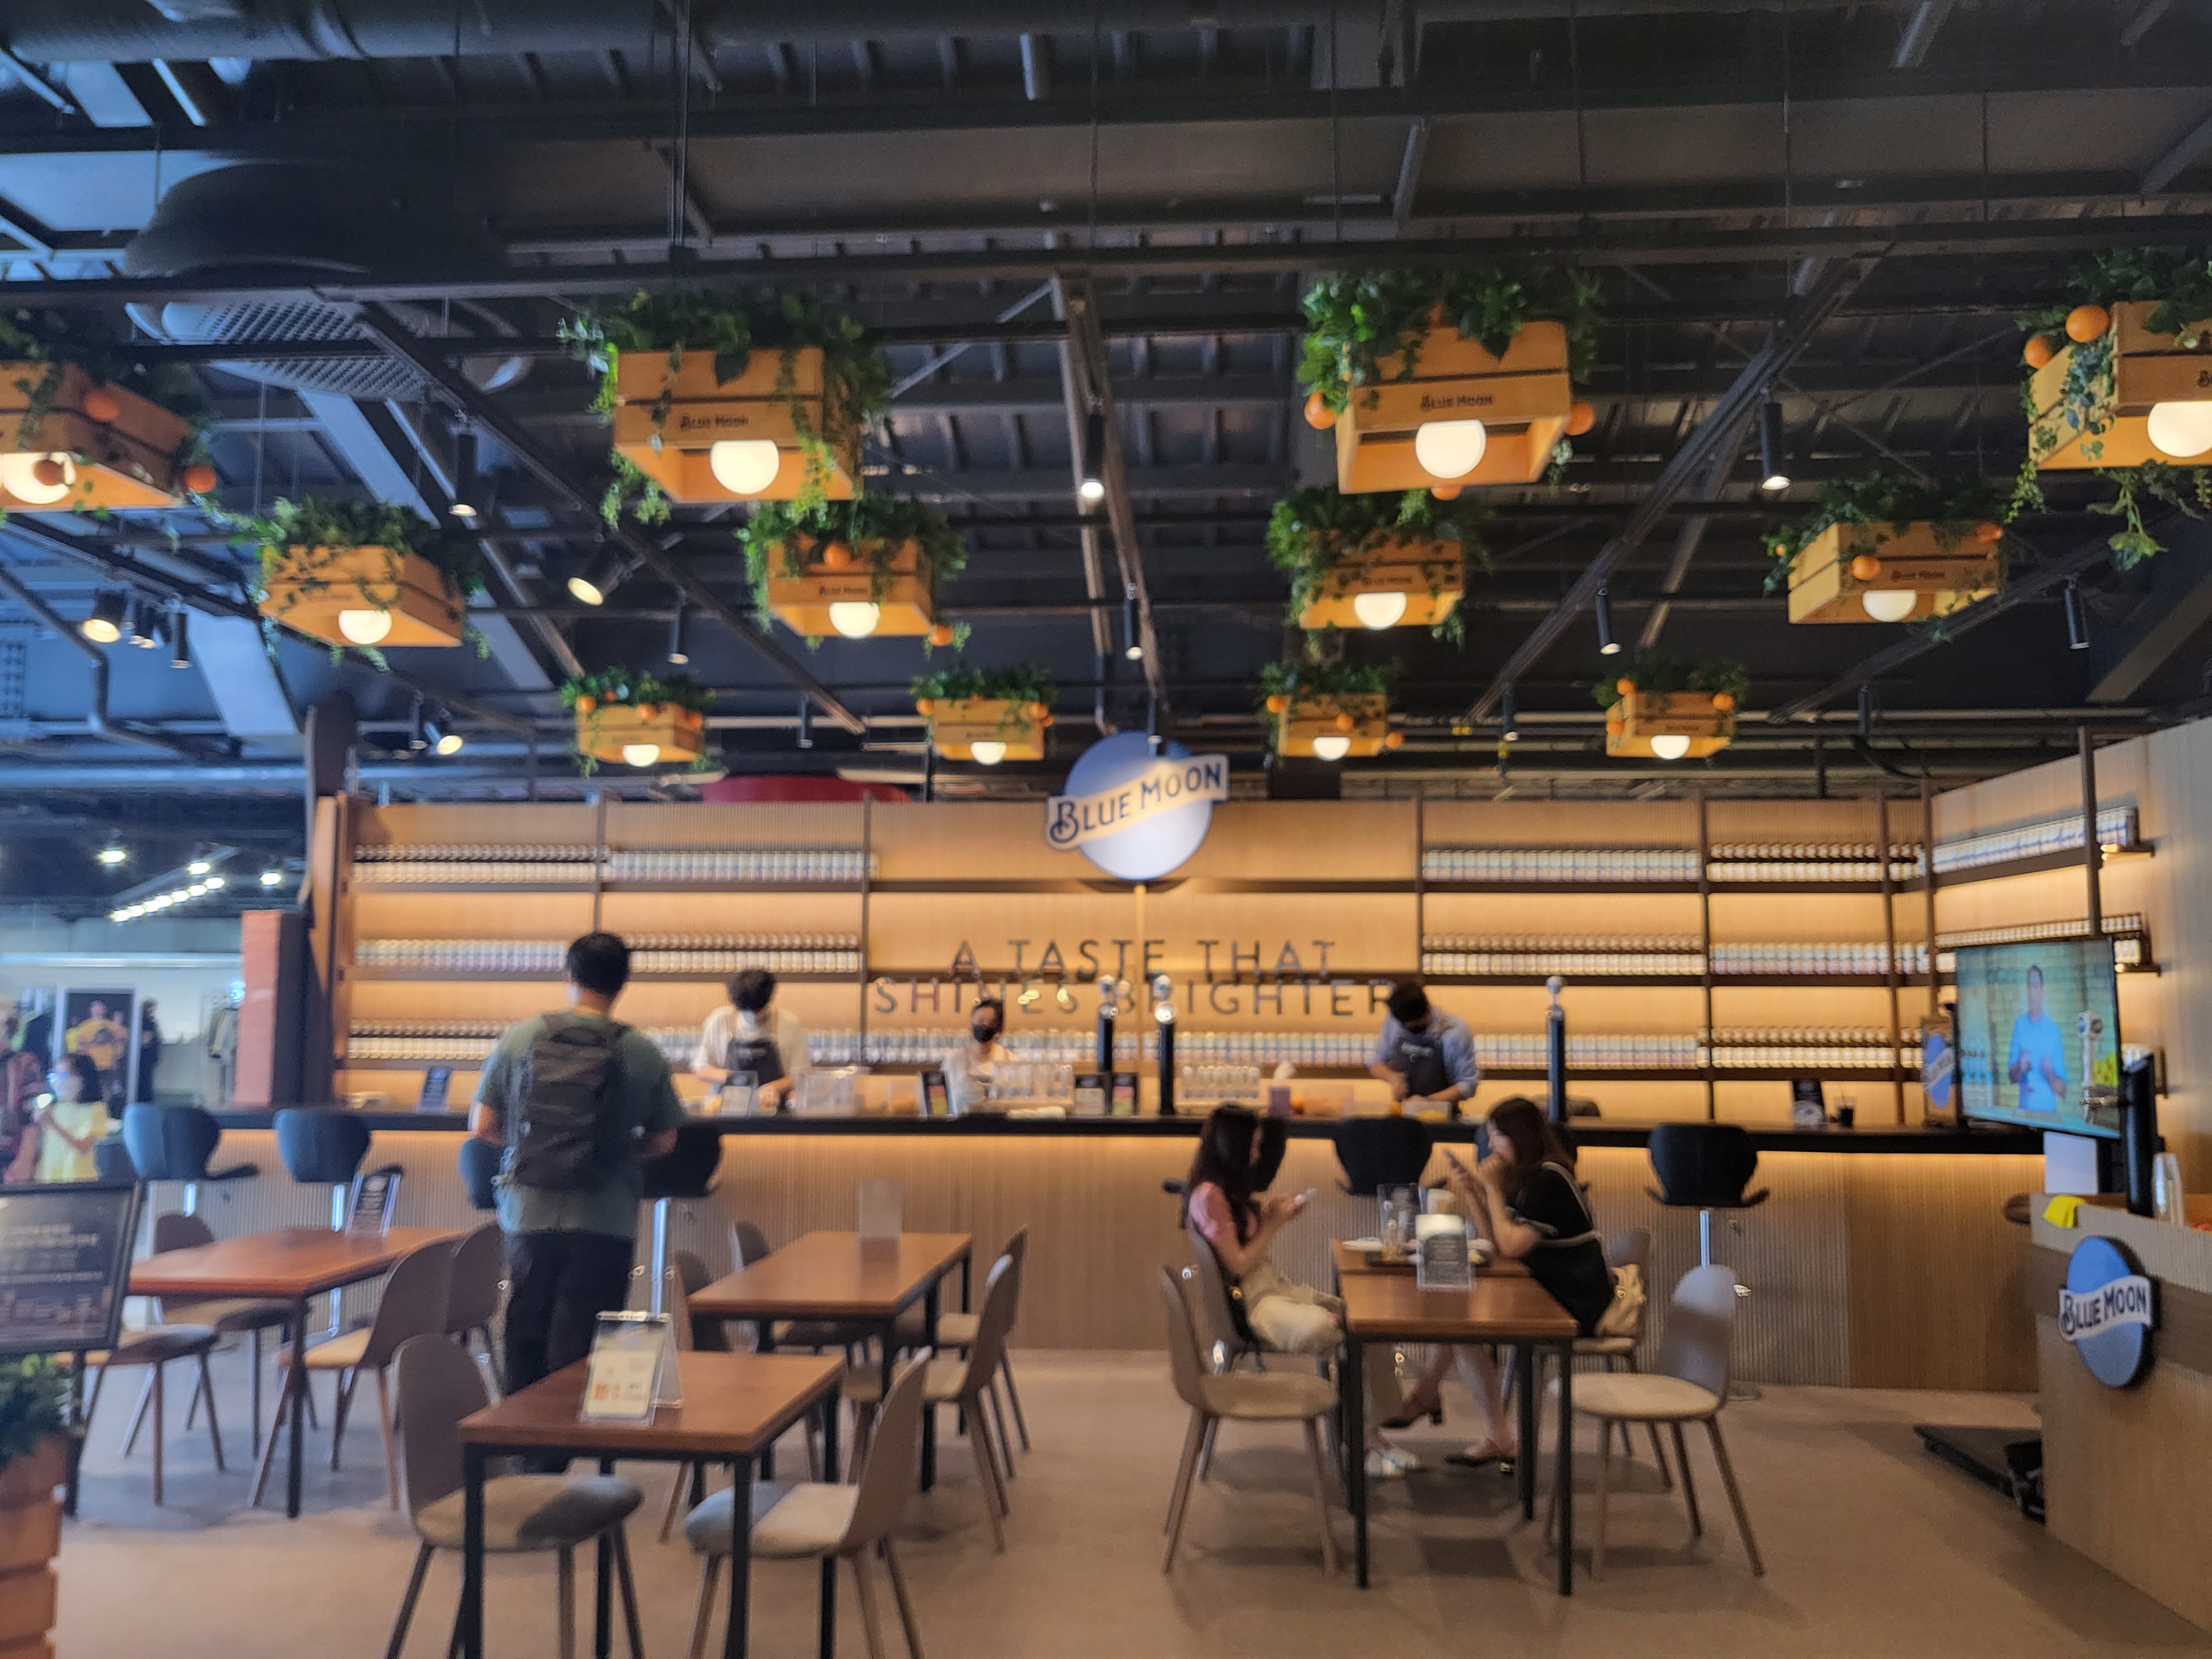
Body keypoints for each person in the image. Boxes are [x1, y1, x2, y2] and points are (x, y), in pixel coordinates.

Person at [469, 933, 685, 1399]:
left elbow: (483, 1124)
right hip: (605, 1215)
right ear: (624, 982)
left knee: (526, 1333)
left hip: (529, 1209)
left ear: (569, 974)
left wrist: (536, 1146)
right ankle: (577, 1437)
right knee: (587, 1347)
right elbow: (665, 1140)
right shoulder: (641, 1051)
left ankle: (521, 1433)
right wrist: (612, 1150)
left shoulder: (521, 1038)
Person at [1180, 1104, 1418, 1478]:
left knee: (1368, 1322)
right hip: (1251, 1306)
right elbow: (1238, 1266)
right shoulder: (1209, 1196)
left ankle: (1371, 1436)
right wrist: (1273, 1223)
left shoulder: (1221, 1191)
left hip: (1272, 1291)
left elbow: (1244, 1253)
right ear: (1233, 1147)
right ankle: (1365, 1441)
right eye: (1253, 1146)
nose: (1257, 1155)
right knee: (1330, 1326)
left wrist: (1271, 1216)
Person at [1391, 1097, 1615, 1466]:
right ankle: (1431, 1397)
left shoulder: (1550, 1179)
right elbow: (1497, 1244)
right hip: (1546, 1290)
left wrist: (1492, 1189)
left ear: (1520, 1138)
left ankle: (1494, 1434)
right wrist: (1474, 1192)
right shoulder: (1530, 1179)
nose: (1491, 1146)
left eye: (1497, 1136)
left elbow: (1510, 1247)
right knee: (1454, 1317)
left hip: (1573, 1301)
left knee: (1461, 1326)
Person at [691, 968, 811, 1113]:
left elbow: (800, 1075)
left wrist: (771, 1088)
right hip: (725, 1112)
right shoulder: (720, 1021)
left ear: (770, 998)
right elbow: (701, 1069)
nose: (752, 1016)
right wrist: (734, 1078)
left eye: (757, 1010)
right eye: (745, 1010)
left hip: (776, 1112)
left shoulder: (789, 1024)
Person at [1369, 983, 1480, 1115]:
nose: (1411, 1031)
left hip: (1443, 1118)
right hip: (1403, 1115)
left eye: (1416, 1028)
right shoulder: (1394, 1021)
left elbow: (1468, 1085)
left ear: (1429, 1010)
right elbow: (1376, 1063)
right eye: (1406, 1028)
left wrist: (1428, 1102)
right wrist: (1392, 1078)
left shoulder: (1455, 1031)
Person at [34, 1054, 112, 1183]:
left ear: (83, 1078)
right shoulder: (55, 1108)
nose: (59, 1082)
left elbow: (84, 1147)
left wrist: (53, 1124)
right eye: (54, 1076)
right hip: (49, 1179)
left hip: (80, 1180)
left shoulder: (96, 1109)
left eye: (65, 1075)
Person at [2007, 964, 2068, 1117]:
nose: (2031, 992)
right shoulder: (2019, 1025)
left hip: (2049, 1117)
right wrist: (2021, 1068)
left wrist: (2050, 1073)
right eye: (2029, 987)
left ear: (2042, 990)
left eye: (2035, 986)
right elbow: (2012, 1078)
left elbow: (2063, 1091)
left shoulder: (2053, 1030)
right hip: (2024, 1115)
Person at [941, 997, 1011, 1111]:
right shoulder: (953, 1061)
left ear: (999, 1029)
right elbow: (942, 1103)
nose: (984, 1026)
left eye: (991, 1023)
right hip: (961, 1122)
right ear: (971, 1023)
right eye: (980, 1021)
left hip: (1000, 1122)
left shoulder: (1011, 1061)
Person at [64, 999, 128, 1107]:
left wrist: (115, 1059)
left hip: (108, 1065)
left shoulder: (112, 1026)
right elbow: (80, 1044)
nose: (98, 1010)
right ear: (91, 1010)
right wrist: (95, 1040)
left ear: (105, 1010)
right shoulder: (85, 1026)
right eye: (95, 1008)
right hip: (91, 1065)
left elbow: (120, 1041)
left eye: (100, 1008)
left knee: (107, 1091)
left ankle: (106, 1109)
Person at [134, 1000, 161, 1103]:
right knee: (144, 1082)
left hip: (149, 1058)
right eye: (151, 1008)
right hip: (144, 1059)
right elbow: (145, 1040)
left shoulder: (150, 1022)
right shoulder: (146, 1022)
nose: (153, 1011)